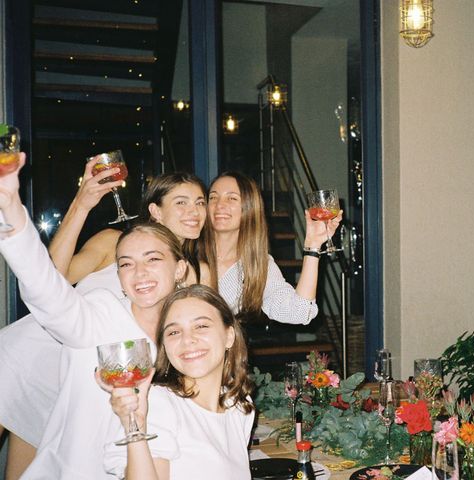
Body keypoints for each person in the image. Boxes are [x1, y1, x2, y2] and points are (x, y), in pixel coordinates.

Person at [0, 164, 207, 478]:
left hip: (85, 377)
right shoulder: (114, 249)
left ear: (177, 270)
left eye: (200, 202)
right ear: (156, 210)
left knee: (65, 446)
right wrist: (13, 211)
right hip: (39, 352)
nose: (194, 211)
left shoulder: (191, 280)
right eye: (182, 202)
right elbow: (48, 284)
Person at [102, 285, 255, 479]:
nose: (187, 339)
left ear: (229, 336)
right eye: (174, 332)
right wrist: (137, 431)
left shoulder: (238, 405)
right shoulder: (158, 403)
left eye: (201, 326)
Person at [202, 172, 342, 323]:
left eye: (232, 198)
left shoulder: (257, 265)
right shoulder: (188, 252)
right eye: (213, 197)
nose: (220, 205)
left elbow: (299, 312)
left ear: (250, 208)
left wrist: (313, 246)